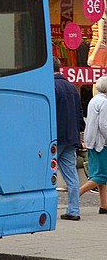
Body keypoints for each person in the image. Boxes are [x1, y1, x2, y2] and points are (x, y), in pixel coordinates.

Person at [54, 58, 84, 220]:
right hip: (71, 137)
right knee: (71, 176)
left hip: (55, 137)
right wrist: (79, 132)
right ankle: (74, 210)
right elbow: (79, 114)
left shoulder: (51, 86)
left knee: (47, 174)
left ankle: (49, 208)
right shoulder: (72, 88)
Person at [80, 75, 107, 215]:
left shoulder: (94, 100)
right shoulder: (104, 102)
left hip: (92, 141)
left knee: (101, 174)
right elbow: (104, 125)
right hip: (101, 143)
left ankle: (104, 205)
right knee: (101, 175)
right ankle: (77, 193)